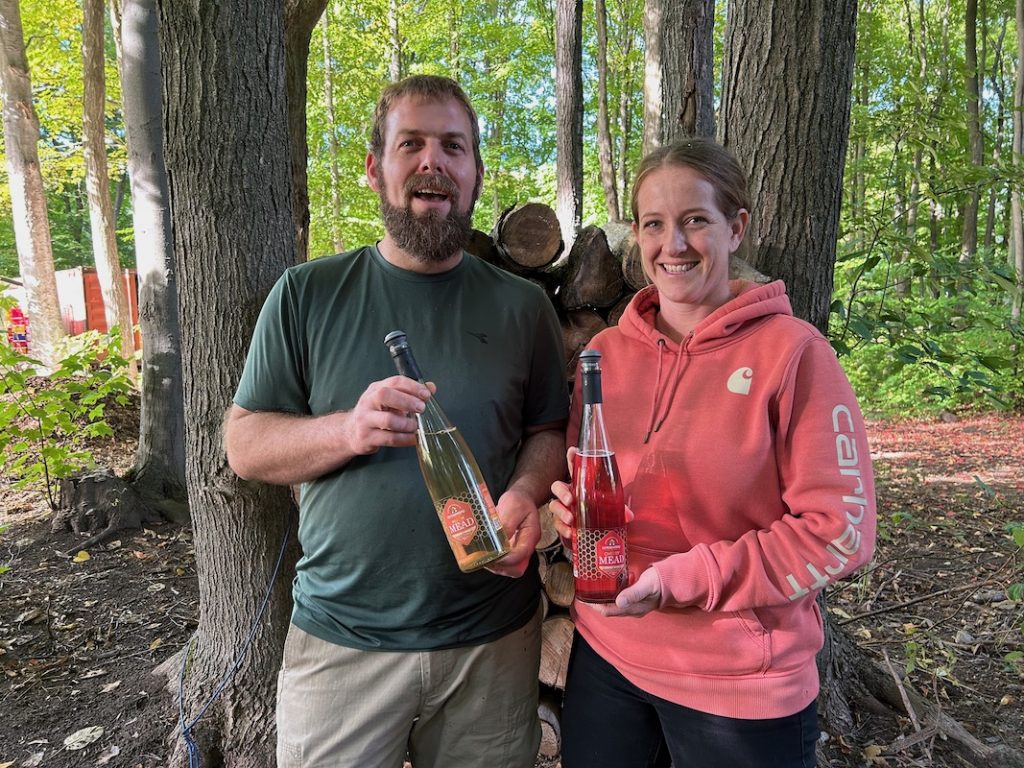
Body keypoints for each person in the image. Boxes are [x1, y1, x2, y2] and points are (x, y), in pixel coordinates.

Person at [224, 75, 569, 768]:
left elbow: (547, 433)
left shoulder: (522, 307)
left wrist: (525, 495)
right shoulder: (307, 295)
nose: (432, 160)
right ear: (374, 166)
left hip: (492, 647)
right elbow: (243, 445)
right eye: (410, 143)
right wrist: (345, 430)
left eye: (453, 146)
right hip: (341, 645)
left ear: (474, 171)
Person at [549, 137, 877, 768]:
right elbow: (597, 495)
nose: (672, 245)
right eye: (653, 224)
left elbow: (841, 533)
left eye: (695, 220)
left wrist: (686, 579)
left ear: (736, 228)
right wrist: (573, 524)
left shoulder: (794, 354)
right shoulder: (606, 356)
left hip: (741, 682)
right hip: (610, 657)